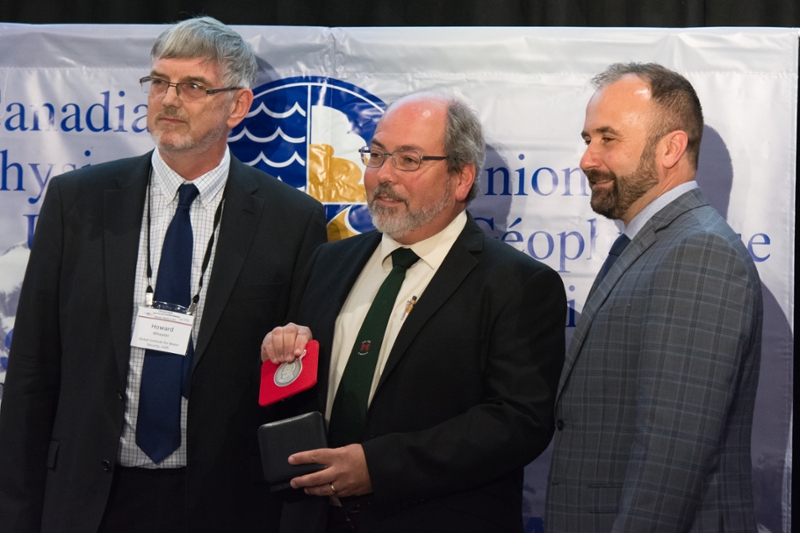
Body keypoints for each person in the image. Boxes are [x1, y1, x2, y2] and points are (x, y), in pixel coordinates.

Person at [0, 17, 327, 533]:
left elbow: (296, 383)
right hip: (90, 497)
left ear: (237, 106)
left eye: (193, 86)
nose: (169, 100)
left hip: (225, 502)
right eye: (159, 82)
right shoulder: (77, 202)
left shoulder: (292, 220)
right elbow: (32, 372)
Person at [261, 92, 566, 533]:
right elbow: (297, 391)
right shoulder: (328, 262)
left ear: (461, 178)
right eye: (377, 155)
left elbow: (517, 423)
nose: (383, 176)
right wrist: (280, 355)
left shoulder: (516, 283)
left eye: (408, 160)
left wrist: (377, 467)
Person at [545, 63, 762, 532]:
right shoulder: (650, 243)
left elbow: (670, 459)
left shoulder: (698, 252)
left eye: (608, 138)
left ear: (671, 148)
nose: (587, 159)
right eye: (588, 140)